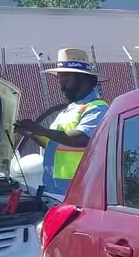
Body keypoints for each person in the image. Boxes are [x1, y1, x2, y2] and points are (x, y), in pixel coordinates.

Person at [12, 48, 108, 197]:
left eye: (66, 80)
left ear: (83, 79)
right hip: (57, 191)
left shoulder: (97, 108)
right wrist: (34, 134)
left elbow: (82, 138)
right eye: (60, 80)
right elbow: (56, 144)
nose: (62, 86)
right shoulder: (70, 109)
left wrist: (42, 130)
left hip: (81, 192)